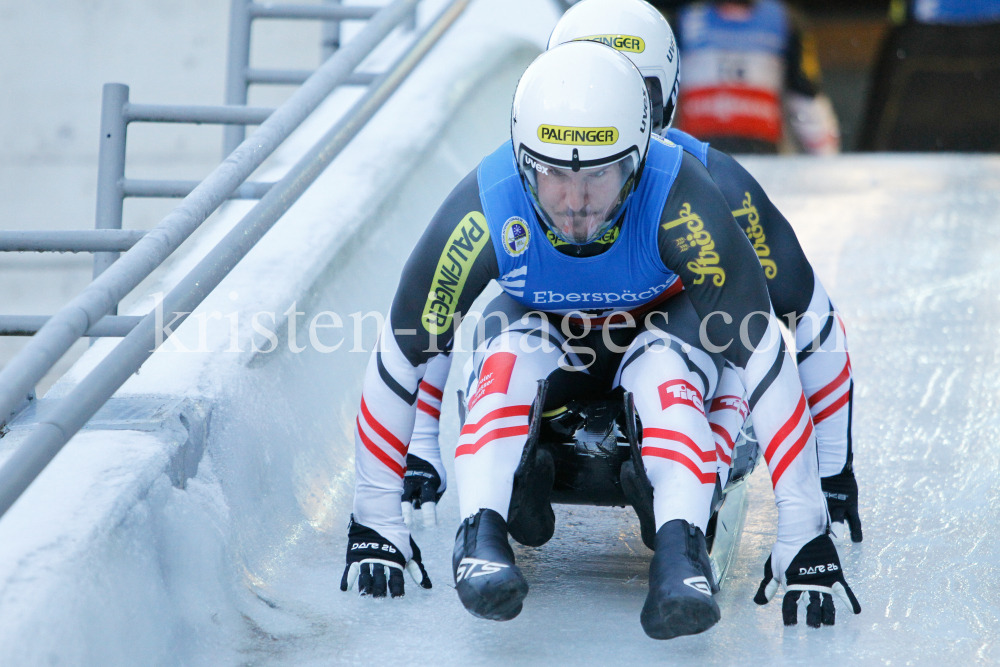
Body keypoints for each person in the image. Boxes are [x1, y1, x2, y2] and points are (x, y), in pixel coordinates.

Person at [341, 40, 860, 639]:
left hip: (665, 336)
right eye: (554, 175)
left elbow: (765, 351)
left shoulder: (685, 197)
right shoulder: (484, 205)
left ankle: (678, 547)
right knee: (504, 360)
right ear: (521, 158)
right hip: (540, 335)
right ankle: (482, 529)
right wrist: (376, 518)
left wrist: (805, 525)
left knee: (666, 375)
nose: (576, 202)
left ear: (638, 160)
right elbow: (410, 342)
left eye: (600, 175)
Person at [670, 0, 840, 155]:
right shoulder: (683, 20)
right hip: (696, 157)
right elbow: (665, 94)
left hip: (765, 158)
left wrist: (827, 161)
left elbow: (806, 97)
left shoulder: (784, 20)